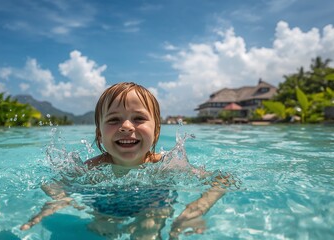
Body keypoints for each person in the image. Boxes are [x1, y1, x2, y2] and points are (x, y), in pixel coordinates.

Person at [21, 82, 233, 239]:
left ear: (156, 131)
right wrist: (59, 198)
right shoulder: (93, 168)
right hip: (105, 209)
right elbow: (54, 183)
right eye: (114, 120)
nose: (126, 126)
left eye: (139, 118)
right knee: (104, 230)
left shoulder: (168, 165)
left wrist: (196, 209)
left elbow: (223, 179)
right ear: (100, 134)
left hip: (153, 205)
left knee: (148, 229)